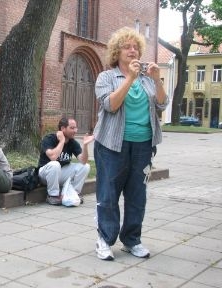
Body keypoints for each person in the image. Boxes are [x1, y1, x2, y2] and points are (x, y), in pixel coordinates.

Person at [93, 27, 169, 261]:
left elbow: (162, 105)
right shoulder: (107, 77)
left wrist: (156, 81)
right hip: (111, 146)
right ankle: (105, 239)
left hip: (144, 146)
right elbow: (111, 105)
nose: (132, 50)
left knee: (138, 195)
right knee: (108, 195)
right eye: (127, 46)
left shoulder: (147, 78)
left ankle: (132, 240)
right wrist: (130, 79)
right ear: (117, 52)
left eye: (135, 47)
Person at [37, 117, 94, 205]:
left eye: (75, 128)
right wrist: (62, 141)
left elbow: (83, 161)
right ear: (63, 128)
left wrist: (85, 145)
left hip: (61, 173)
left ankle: (73, 193)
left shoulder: (73, 142)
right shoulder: (49, 138)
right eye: (72, 128)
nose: (75, 130)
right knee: (55, 164)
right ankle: (52, 196)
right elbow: (53, 157)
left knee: (85, 166)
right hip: (45, 174)